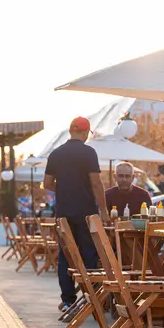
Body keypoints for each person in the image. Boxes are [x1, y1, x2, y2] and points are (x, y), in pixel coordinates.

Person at [43, 117, 111, 313]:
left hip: (63, 213)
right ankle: (91, 298)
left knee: (66, 255)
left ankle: (68, 300)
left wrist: (65, 190)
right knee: (89, 253)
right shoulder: (88, 153)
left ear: (70, 131)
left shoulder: (56, 154)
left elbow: (47, 184)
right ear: (85, 133)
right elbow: (96, 183)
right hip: (86, 212)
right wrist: (104, 210)